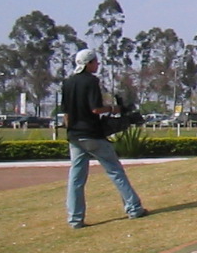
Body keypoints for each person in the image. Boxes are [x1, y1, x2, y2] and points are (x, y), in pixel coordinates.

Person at [60, 49, 147, 229]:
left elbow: (66, 114)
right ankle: (134, 208)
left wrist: (71, 132)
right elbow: (96, 109)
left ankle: (75, 219)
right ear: (88, 63)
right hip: (92, 134)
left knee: (76, 179)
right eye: (95, 62)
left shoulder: (68, 83)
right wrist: (114, 109)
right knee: (115, 172)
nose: (97, 65)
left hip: (75, 137)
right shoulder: (91, 81)